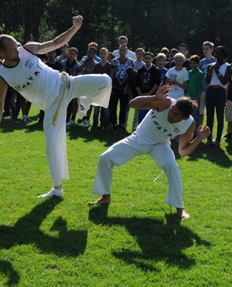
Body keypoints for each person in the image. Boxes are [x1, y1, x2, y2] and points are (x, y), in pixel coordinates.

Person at [0, 15, 112, 198]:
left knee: (105, 81)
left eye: (16, 44)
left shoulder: (28, 49)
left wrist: (74, 28)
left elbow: (56, 43)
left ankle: (84, 102)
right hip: (52, 108)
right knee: (51, 147)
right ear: (2, 53)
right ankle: (57, 189)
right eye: (12, 49)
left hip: (66, 84)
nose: (17, 49)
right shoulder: (3, 76)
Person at [88, 84, 211, 220]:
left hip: (160, 145)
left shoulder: (189, 124)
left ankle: (179, 208)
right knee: (105, 158)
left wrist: (198, 138)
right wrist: (154, 97)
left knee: (173, 168)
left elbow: (182, 151)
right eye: (172, 111)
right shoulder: (165, 103)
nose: (171, 115)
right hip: (138, 138)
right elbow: (133, 104)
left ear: (185, 118)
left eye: (176, 116)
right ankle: (105, 197)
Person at [205, 46, 231, 147]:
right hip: (210, 91)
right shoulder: (210, 65)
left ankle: (218, 140)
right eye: (216, 53)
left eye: (220, 53)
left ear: (224, 55)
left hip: (220, 91)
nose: (218, 55)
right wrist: (211, 71)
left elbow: (224, 81)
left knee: (220, 116)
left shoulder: (227, 66)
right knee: (209, 116)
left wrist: (217, 70)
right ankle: (209, 139)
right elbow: (207, 81)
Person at [109, 45, 134, 131]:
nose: (122, 52)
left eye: (124, 50)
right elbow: (112, 74)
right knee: (113, 106)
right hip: (115, 87)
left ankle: (122, 124)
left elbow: (130, 76)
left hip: (124, 88)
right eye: (121, 50)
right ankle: (114, 123)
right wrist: (110, 87)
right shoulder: (114, 61)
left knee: (123, 108)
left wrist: (127, 87)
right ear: (118, 51)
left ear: (126, 52)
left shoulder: (131, 62)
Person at [133, 51, 161, 123]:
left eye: (149, 58)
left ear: (152, 59)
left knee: (150, 114)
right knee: (141, 114)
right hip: (141, 94)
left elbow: (157, 83)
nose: (147, 60)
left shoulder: (155, 70)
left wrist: (149, 93)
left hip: (152, 95)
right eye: (146, 58)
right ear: (143, 59)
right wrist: (141, 94)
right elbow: (136, 84)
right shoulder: (140, 70)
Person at [199, 41, 216, 127]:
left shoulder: (215, 61)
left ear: (212, 50)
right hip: (202, 89)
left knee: (210, 112)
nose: (205, 51)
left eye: (207, 49)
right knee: (201, 112)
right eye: (204, 49)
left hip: (212, 89)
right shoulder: (201, 62)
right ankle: (199, 130)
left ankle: (209, 131)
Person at [187, 55, 204, 136]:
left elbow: (200, 87)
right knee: (188, 115)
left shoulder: (200, 73)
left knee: (195, 116)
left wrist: (197, 99)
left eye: (194, 63)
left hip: (195, 97)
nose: (192, 65)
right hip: (188, 96)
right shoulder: (189, 72)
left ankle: (195, 134)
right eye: (191, 63)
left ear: (198, 64)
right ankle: (188, 132)